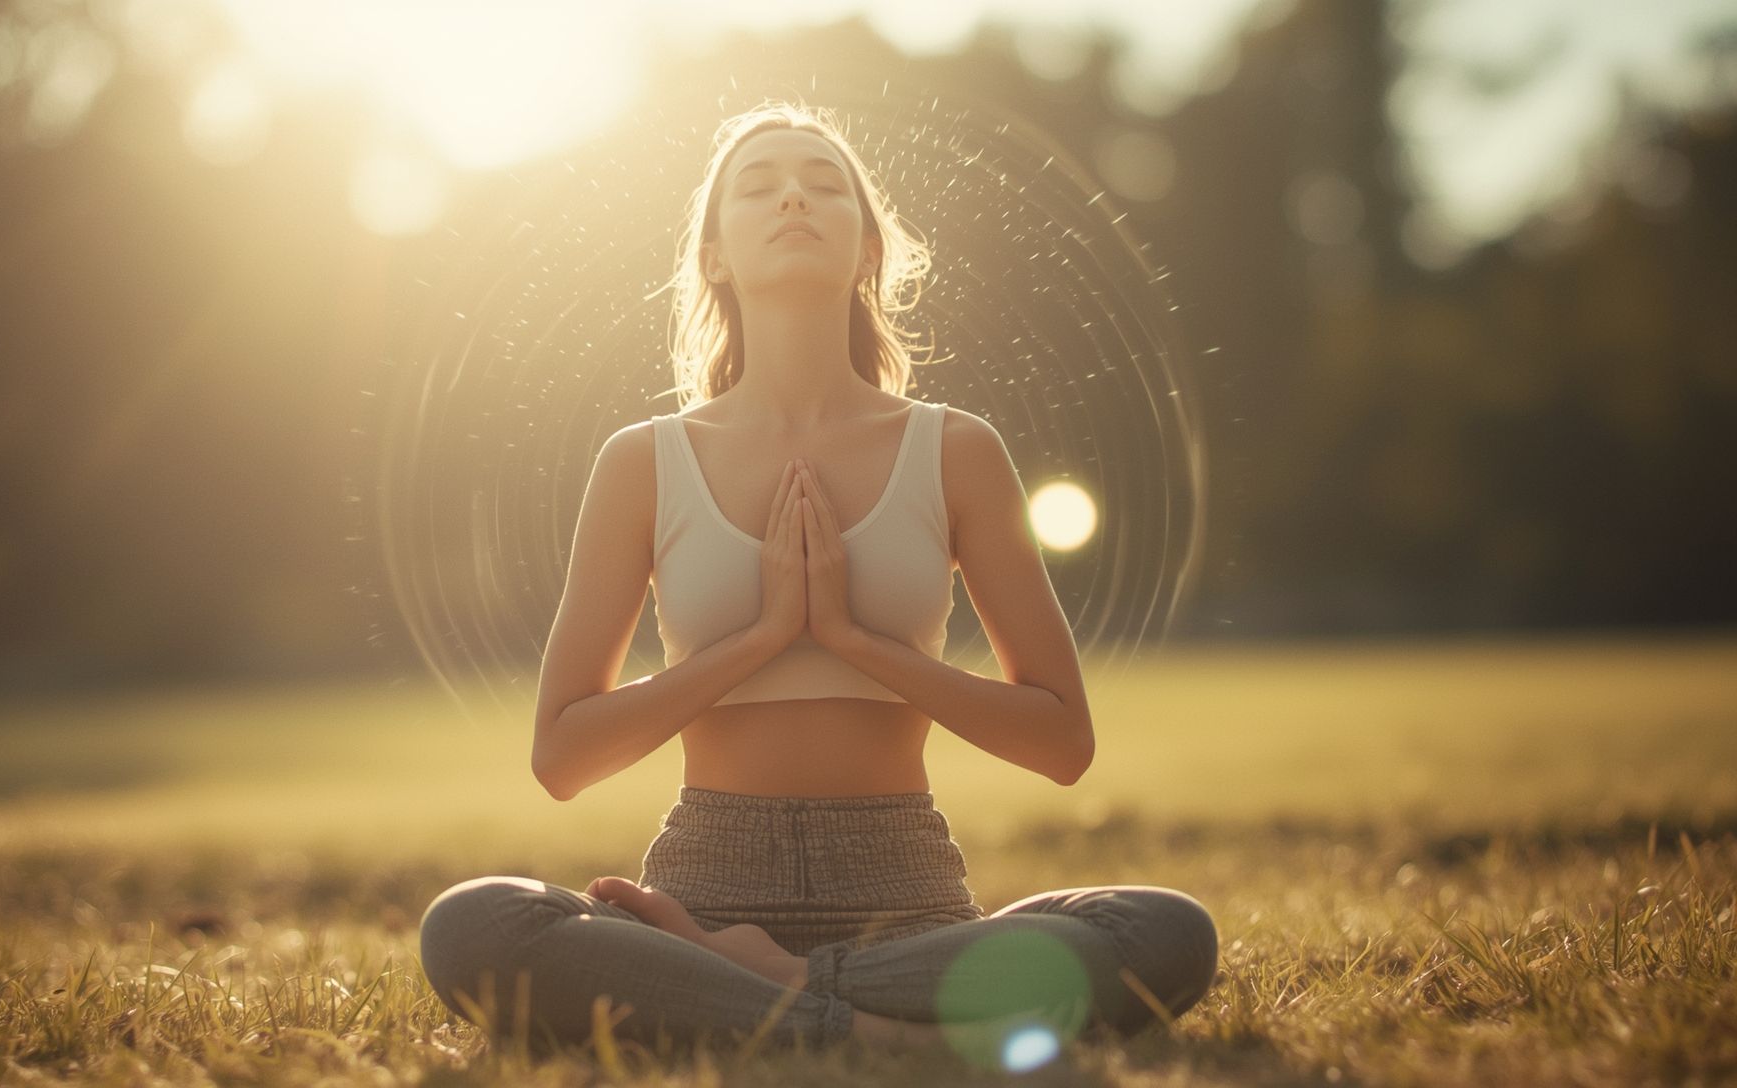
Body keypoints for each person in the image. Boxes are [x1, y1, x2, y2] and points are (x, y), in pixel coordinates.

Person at [418, 101, 1218, 1061]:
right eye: (757, 184)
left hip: (909, 906)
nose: (793, 193)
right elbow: (561, 756)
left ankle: (773, 995)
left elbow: (1062, 740)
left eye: (824, 182)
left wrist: (854, 640)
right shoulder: (644, 461)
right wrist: (754, 642)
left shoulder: (954, 450)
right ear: (714, 256)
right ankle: (880, 1032)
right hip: (703, 896)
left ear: (867, 249)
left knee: (1163, 930)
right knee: (476, 924)